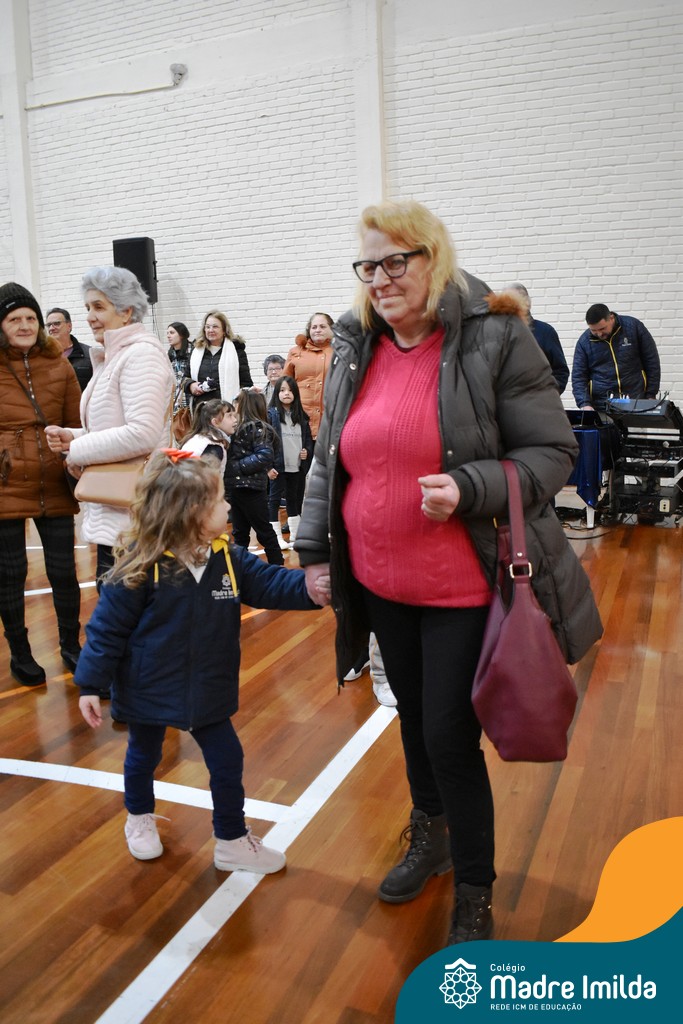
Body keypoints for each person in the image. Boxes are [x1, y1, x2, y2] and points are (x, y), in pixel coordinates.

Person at [295, 200, 602, 947]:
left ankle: (473, 888)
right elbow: (331, 458)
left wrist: (470, 487)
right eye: (368, 266)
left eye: (395, 261)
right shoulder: (355, 344)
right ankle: (430, 835)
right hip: (379, 582)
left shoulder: (494, 336)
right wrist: (314, 550)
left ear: (434, 259)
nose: (380, 279)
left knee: (446, 735)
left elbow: (552, 452)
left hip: (463, 584)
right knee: (412, 719)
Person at [74, 449, 327, 867]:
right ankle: (138, 817)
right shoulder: (142, 564)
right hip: (147, 684)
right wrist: (89, 683)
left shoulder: (228, 557)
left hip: (208, 683)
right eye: (220, 500)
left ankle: (230, 839)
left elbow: (271, 584)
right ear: (192, 512)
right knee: (143, 755)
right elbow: (106, 629)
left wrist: (311, 590)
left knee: (227, 760)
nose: (228, 506)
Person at [45, 266, 175, 587]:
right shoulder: (115, 356)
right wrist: (72, 437)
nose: (90, 317)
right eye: (88, 307)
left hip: (135, 518)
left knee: (126, 608)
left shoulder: (140, 356)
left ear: (126, 310)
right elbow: (114, 426)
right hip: (119, 515)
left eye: (99, 307)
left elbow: (142, 433)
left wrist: (78, 449)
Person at [0, 282, 82, 685]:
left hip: (53, 478)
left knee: (64, 571)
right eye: (14, 318)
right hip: (5, 482)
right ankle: (20, 652)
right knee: (10, 574)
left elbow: (75, 424)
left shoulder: (59, 365)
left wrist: (72, 451)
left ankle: (71, 646)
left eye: (30, 317)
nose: (24, 325)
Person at [225, 391, 283, 565]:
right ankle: (240, 570)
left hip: (250, 488)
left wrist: (237, 467)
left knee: (264, 531)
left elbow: (265, 455)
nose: (234, 408)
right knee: (240, 533)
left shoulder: (256, 428)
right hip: (238, 487)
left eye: (237, 404)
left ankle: (277, 568)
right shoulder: (242, 428)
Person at [571, 303, 661, 411]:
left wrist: (651, 394)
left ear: (611, 318)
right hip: (601, 405)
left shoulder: (633, 327)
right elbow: (578, 377)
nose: (599, 334)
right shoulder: (584, 342)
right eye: (593, 331)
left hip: (636, 401)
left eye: (602, 328)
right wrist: (585, 404)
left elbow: (652, 361)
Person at [267, 375, 313, 549]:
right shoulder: (271, 415)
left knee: (294, 499)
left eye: (290, 390)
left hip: (296, 466)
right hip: (278, 467)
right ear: (277, 393)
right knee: (274, 499)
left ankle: (295, 535)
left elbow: (308, 441)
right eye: (282, 390)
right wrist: (268, 466)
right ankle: (275, 536)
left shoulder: (301, 417)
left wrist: (306, 451)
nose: (286, 393)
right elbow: (265, 442)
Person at [507, 284, 569, 393]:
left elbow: (560, 372)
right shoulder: (500, 334)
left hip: (538, 400)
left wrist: (548, 395)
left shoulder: (546, 332)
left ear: (527, 304)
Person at [186, 310, 253, 408]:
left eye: (215, 326)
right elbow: (185, 378)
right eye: (207, 327)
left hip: (227, 409)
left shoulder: (237, 351)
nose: (211, 330)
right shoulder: (196, 350)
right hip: (200, 409)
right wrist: (191, 385)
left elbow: (246, 383)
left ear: (224, 330)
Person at [284, 313, 334, 440]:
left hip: (330, 421)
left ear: (332, 329)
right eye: (314, 327)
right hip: (300, 421)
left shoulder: (340, 351)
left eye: (322, 326)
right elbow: (284, 384)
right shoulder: (296, 352)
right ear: (309, 330)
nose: (318, 330)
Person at [180, 398, 238, 473]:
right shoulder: (213, 446)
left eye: (234, 416)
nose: (235, 420)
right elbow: (208, 478)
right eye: (229, 416)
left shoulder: (199, 438)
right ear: (215, 422)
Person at [46, 306, 93, 391]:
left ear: (69, 326)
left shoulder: (89, 355)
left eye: (57, 323)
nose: (51, 328)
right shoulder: (42, 357)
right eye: (49, 325)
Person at [167, 321, 192, 414]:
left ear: (181, 335)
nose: (168, 336)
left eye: (172, 333)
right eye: (167, 333)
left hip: (190, 395)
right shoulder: (170, 354)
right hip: (176, 397)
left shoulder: (193, 351)